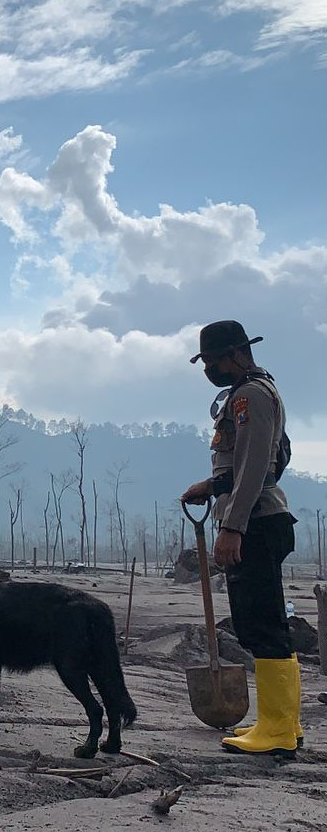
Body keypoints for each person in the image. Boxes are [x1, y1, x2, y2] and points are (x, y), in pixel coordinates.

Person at [181, 320, 300, 757]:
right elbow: (250, 463)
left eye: (211, 361)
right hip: (260, 517)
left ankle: (277, 731)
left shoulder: (249, 395)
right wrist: (211, 487)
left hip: (256, 522)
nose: (208, 369)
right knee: (265, 622)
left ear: (234, 354)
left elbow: (254, 468)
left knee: (262, 625)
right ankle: (285, 723)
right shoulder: (256, 390)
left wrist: (233, 528)